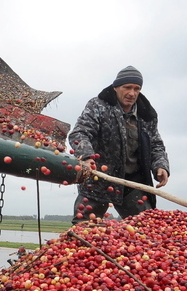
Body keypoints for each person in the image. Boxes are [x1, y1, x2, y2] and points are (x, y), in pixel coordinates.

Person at [68, 66, 169, 223]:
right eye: (127, 87)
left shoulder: (146, 114)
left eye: (137, 88)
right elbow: (80, 133)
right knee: (83, 229)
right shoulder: (98, 106)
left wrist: (160, 166)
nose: (132, 93)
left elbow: (156, 144)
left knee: (146, 228)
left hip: (132, 181)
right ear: (115, 87)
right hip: (98, 179)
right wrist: (86, 156)